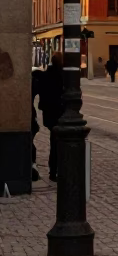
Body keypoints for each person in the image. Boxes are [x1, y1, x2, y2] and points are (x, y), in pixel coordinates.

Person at [38, 53, 65, 182]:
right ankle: (58, 170)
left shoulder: (45, 75)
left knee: (54, 142)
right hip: (60, 113)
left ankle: (53, 170)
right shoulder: (63, 76)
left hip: (49, 115)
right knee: (59, 143)